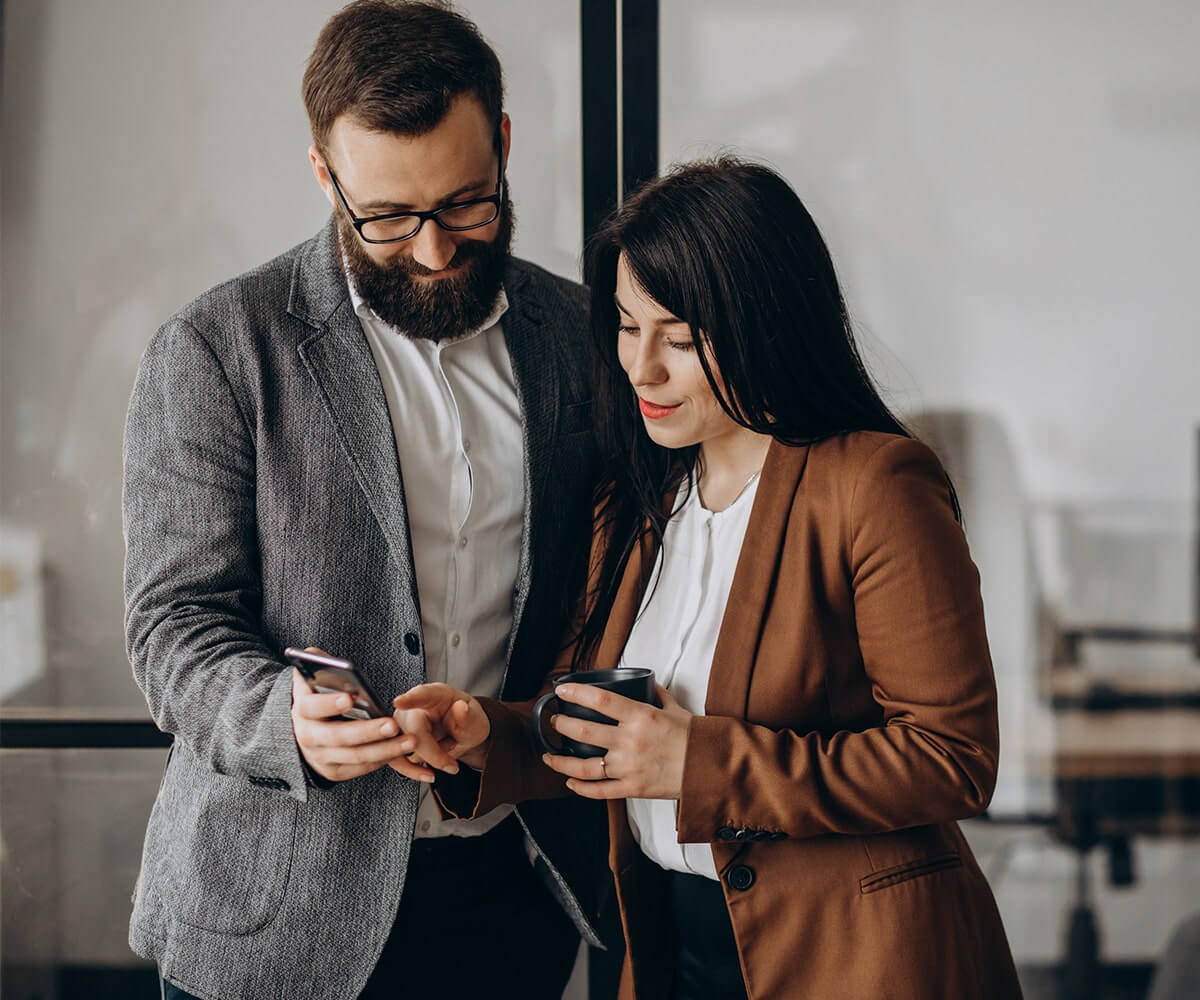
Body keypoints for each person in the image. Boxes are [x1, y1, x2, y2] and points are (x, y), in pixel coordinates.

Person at [395, 158, 1025, 998]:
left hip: (860, 957)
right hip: (675, 947)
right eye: (625, 326)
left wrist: (702, 763)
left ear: (764, 326)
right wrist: (492, 737)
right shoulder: (635, 495)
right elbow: (610, 735)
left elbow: (952, 758)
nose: (641, 368)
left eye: (681, 340)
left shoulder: (875, 486)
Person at [122, 2, 608, 998]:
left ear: (505, 145)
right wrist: (284, 720)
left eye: (467, 204)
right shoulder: (218, 348)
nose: (432, 251)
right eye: (387, 218)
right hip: (272, 905)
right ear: (324, 176)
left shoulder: (586, 339)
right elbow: (172, 626)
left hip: (508, 896)